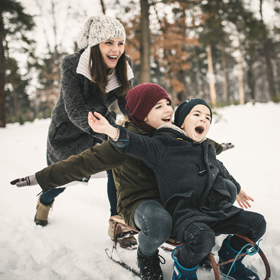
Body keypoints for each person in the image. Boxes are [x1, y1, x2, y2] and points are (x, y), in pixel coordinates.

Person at [11, 84, 251, 280]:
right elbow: (81, 163)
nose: (168, 109)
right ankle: (146, 255)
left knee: (214, 195)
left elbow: (198, 144)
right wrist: (39, 178)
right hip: (140, 202)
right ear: (143, 113)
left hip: (173, 196)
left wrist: (219, 147)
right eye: (159, 106)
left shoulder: (169, 130)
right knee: (159, 220)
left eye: (168, 103)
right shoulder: (123, 142)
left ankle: (194, 250)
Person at [87, 89, 266, 280]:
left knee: (257, 223)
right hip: (185, 214)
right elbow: (135, 143)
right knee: (203, 238)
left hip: (211, 209)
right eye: (196, 115)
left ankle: (230, 261)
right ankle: (183, 269)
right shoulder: (163, 146)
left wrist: (237, 189)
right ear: (180, 122)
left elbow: (220, 168)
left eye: (207, 117)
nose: (203, 120)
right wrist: (110, 130)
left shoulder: (206, 147)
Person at [34, 15, 136, 248]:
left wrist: (140, 121)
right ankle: (45, 200)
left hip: (102, 123)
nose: (116, 49)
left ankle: (118, 224)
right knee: (62, 179)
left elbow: (126, 102)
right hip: (70, 129)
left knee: (116, 165)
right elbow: (74, 109)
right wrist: (107, 131)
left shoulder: (124, 63)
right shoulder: (72, 64)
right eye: (109, 42)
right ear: (95, 44)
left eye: (120, 43)